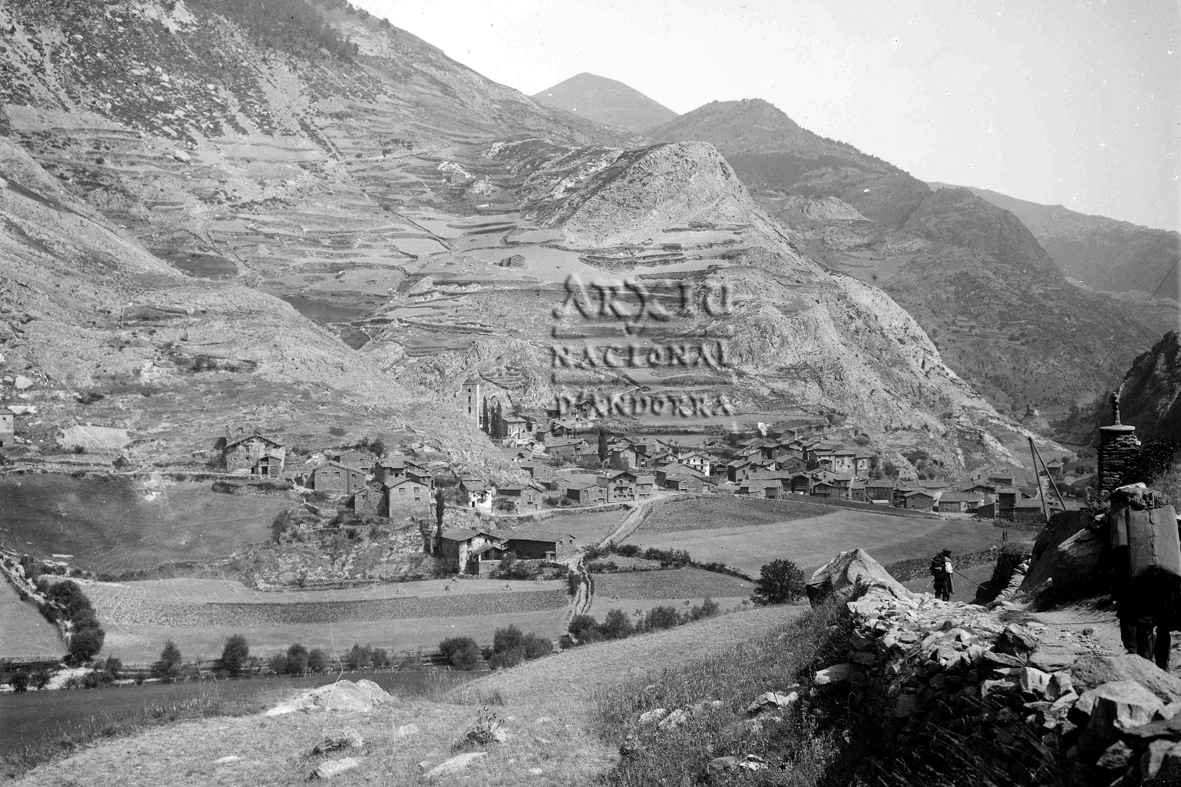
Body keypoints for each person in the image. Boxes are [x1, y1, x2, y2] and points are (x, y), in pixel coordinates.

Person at [1108, 484, 1180, 669]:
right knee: (1163, 628)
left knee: (1145, 626)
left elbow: (1117, 559)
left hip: (1141, 586)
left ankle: (1145, 668)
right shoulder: (1167, 521)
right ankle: (1163, 668)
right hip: (1167, 585)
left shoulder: (1130, 523)